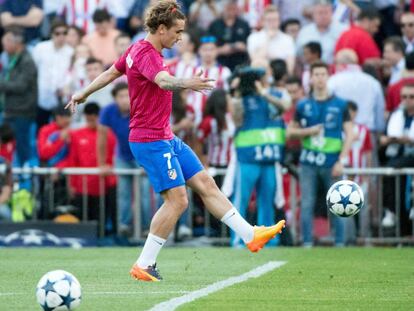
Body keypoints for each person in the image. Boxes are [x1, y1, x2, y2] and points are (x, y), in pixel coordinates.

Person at [66, 0, 285, 282]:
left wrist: (83, 92)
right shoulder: (148, 55)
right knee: (178, 201)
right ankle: (144, 263)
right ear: (161, 29)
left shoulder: (135, 50)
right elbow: (164, 81)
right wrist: (187, 82)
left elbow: (112, 72)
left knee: (205, 183)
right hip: (150, 140)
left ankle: (250, 234)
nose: (180, 37)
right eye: (177, 31)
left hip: (165, 136)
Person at [286, 61, 353, 247]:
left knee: (338, 203)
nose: (320, 78)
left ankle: (340, 242)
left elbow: (350, 133)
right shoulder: (303, 105)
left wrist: (342, 160)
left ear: (328, 76)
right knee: (307, 203)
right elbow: (290, 133)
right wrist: (308, 132)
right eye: (316, 75)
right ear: (311, 78)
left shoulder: (340, 104)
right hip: (308, 162)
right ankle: (307, 242)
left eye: (323, 74)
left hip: (332, 162)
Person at [0, 27, 38, 167]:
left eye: (7, 40)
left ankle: (25, 182)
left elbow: (21, 86)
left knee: (22, 149)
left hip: (22, 112)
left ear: (18, 42)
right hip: (10, 110)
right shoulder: (11, 58)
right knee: (7, 148)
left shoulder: (27, 61)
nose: (4, 43)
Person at [32, 20, 74, 130]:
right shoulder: (40, 48)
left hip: (62, 98)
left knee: (61, 132)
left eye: (64, 33)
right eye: (57, 33)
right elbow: (33, 71)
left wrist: (65, 88)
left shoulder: (71, 52)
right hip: (42, 97)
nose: (61, 36)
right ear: (52, 34)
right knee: (41, 130)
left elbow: (71, 73)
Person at [247, 5, 296, 74]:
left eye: (275, 20)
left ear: (279, 21)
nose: (272, 23)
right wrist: (268, 39)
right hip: (260, 76)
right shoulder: (253, 38)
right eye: (269, 20)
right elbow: (255, 62)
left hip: (281, 77)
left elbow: (290, 67)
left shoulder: (288, 39)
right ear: (263, 21)